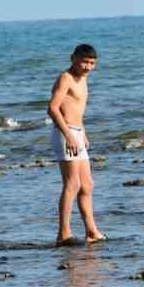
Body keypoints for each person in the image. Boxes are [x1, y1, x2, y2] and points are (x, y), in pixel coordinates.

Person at [48, 43, 105, 246]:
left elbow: (76, 109)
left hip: (77, 133)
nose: (88, 67)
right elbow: (53, 109)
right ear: (73, 58)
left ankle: (92, 232)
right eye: (84, 62)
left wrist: (82, 134)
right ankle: (63, 234)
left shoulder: (83, 79)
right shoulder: (66, 78)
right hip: (65, 134)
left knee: (87, 185)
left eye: (92, 63)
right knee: (72, 184)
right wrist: (70, 136)